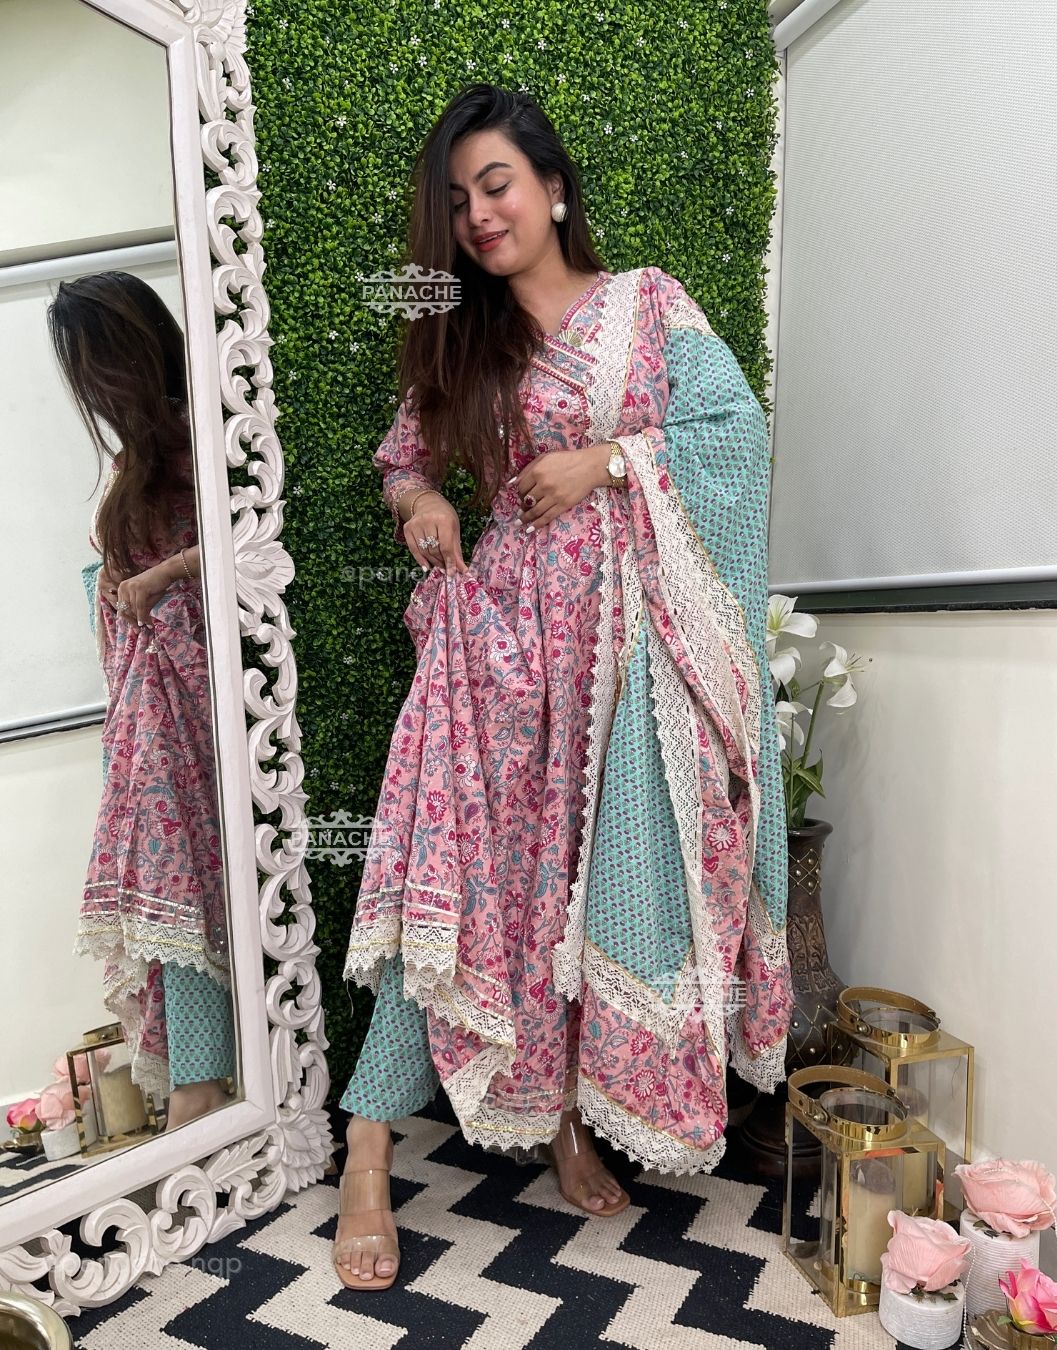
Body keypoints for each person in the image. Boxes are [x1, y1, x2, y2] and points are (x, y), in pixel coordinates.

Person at [334, 84, 793, 1290]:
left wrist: (610, 461)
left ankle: (569, 1118)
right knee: (457, 879)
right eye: (457, 201)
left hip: (633, 662)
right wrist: (424, 504)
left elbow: (736, 435)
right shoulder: (462, 337)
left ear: (551, 186)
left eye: (496, 185)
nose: (479, 215)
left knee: (582, 894)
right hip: (502, 647)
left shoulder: (649, 305)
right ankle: (367, 1155)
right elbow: (403, 463)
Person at [47, 271, 235, 1131]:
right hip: (143, 708)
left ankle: (202, 1086)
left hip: (191, 705)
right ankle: (198, 1083)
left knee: (182, 889)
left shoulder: (205, 435)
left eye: (93, 366)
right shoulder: (138, 458)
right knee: (171, 895)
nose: (89, 390)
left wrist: (162, 574)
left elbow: (246, 539)